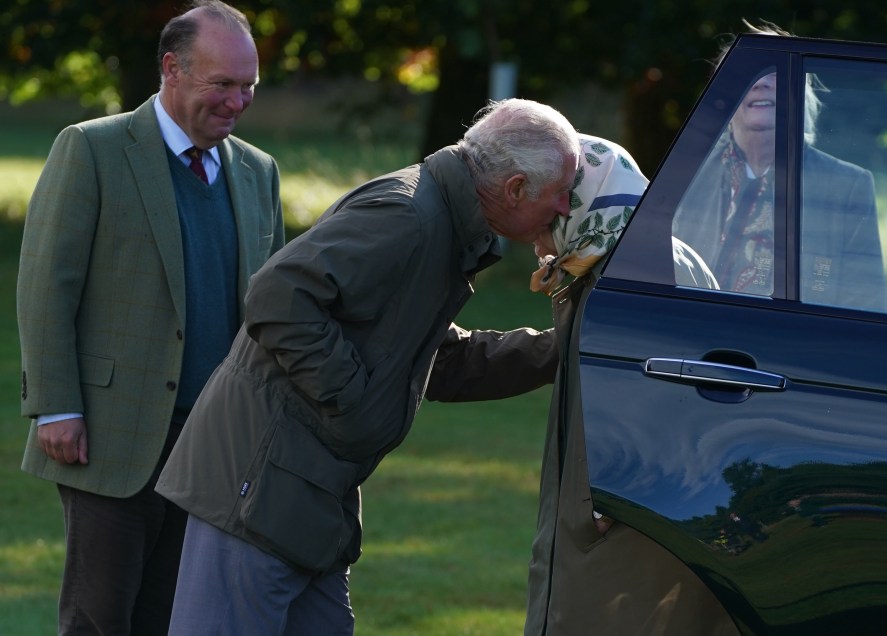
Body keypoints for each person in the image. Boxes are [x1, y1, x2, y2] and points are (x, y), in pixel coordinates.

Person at [154, 97, 579, 634]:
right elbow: (279, 296)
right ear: (515, 188)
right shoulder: (407, 216)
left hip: (309, 497)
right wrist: (353, 404)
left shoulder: (443, 225)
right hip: (255, 492)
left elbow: (438, 359)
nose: (565, 208)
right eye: (560, 193)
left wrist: (564, 348)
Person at [16, 1, 285, 633]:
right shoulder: (91, 148)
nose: (238, 103)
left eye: (248, 87)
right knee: (100, 613)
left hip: (217, 438)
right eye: (222, 85)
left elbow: (271, 310)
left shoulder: (258, 171)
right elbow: (47, 285)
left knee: (178, 615)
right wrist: (56, 405)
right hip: (110, 433)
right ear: (171, 69)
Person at [513, 134, 736, 635]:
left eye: (550, 205)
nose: (532, 225)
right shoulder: (617, 254)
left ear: (582, 204)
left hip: (627, 515)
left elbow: (674, 387)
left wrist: (615, 496)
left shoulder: (632, 272)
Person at [673, 21, 886, 310]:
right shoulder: (683, 173)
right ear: (722, 93)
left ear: (800, 90)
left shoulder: (848, 186)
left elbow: (864, 306)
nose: (760, 82)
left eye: (774, 70)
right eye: (747, 72)